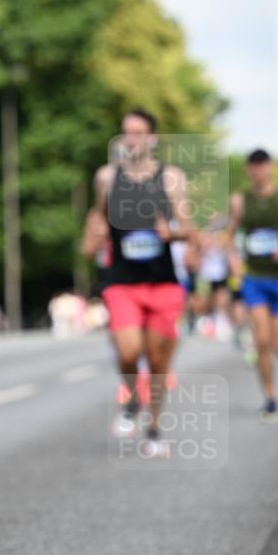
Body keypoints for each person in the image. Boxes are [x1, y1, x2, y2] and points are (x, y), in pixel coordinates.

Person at [87, 108, 191, 458]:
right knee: (129, 351)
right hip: (123, 282)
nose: (131, 140)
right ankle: (132, 396)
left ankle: (155, 429)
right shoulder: (107, 177)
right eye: (126, 133)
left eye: (138, 133)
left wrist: (171, 233)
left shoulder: (171, 178)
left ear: (153, 138)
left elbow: (188, 228)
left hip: (162, 283)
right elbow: (98, 216)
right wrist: (93, 234)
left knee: (158, 361)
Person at [228, 149, 278, 423]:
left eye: (262, 166)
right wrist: (234, 259)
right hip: (255, 278)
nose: (258, 171)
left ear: (270, 167)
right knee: (261, 339)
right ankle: (270, 397)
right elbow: (229, 237)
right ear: (249, 170)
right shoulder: (239, 201)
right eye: (253, 166)